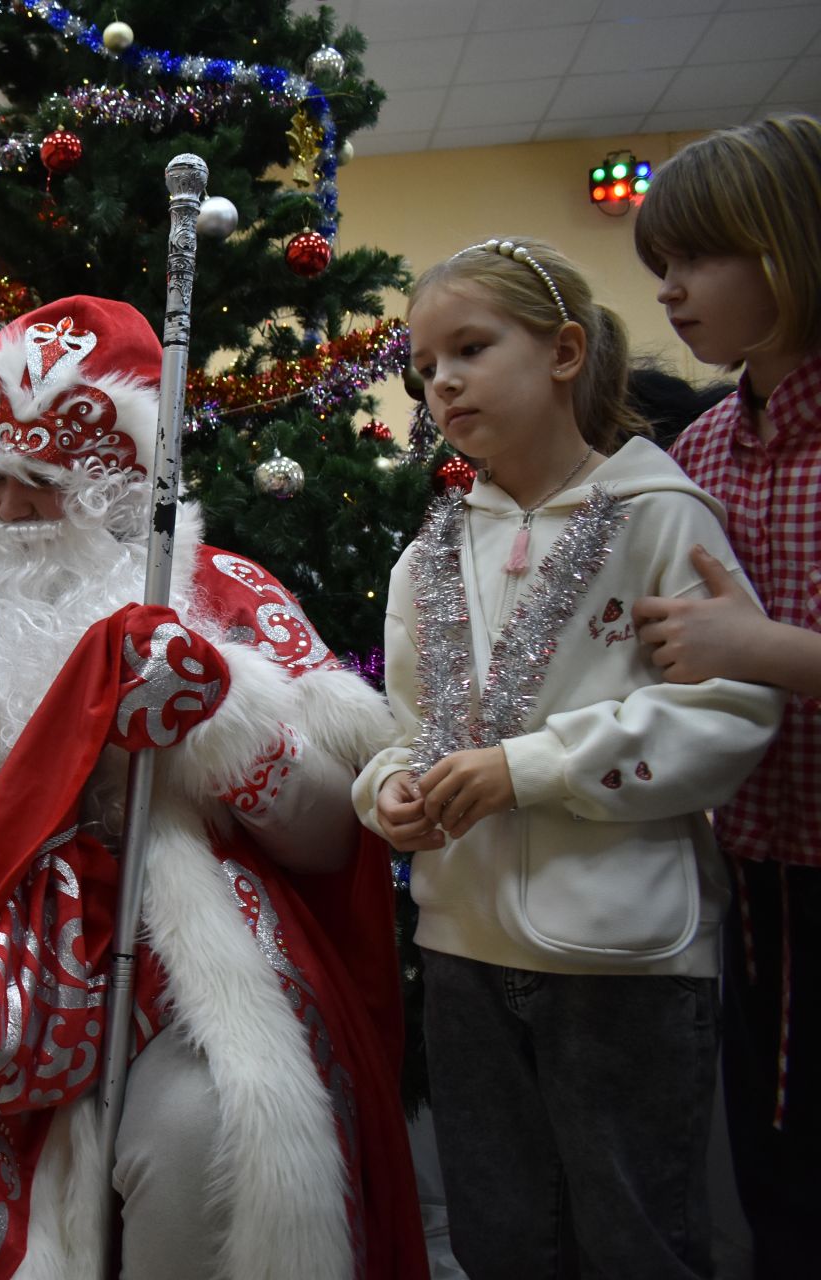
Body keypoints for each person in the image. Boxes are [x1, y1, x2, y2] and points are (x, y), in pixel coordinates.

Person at [0, 296, 425, 1279]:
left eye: (41, 480)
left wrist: (217, 729)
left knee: (204, 1138)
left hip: (174, 958)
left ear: (115, 485)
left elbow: (336, 839)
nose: (6, 508)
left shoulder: (222, 596)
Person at [356, 235, 785, 1280]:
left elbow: (726, 711)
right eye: (424, 366)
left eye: (469, 347)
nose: (442, 381)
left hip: (623, 961)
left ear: (562, 352)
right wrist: (389, 791)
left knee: (634, 1239)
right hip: (463, 954)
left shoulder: (660, 514)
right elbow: (403, 723)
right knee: (504, 1238)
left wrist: (528, 767)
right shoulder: (432, 548)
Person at [628, 115, 821, 1280]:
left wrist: (758, 646)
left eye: (698, 260)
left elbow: (735, 645)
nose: (672, 293)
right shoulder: (700, 451)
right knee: (773, 1168)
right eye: (661, 268)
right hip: (756, 880)